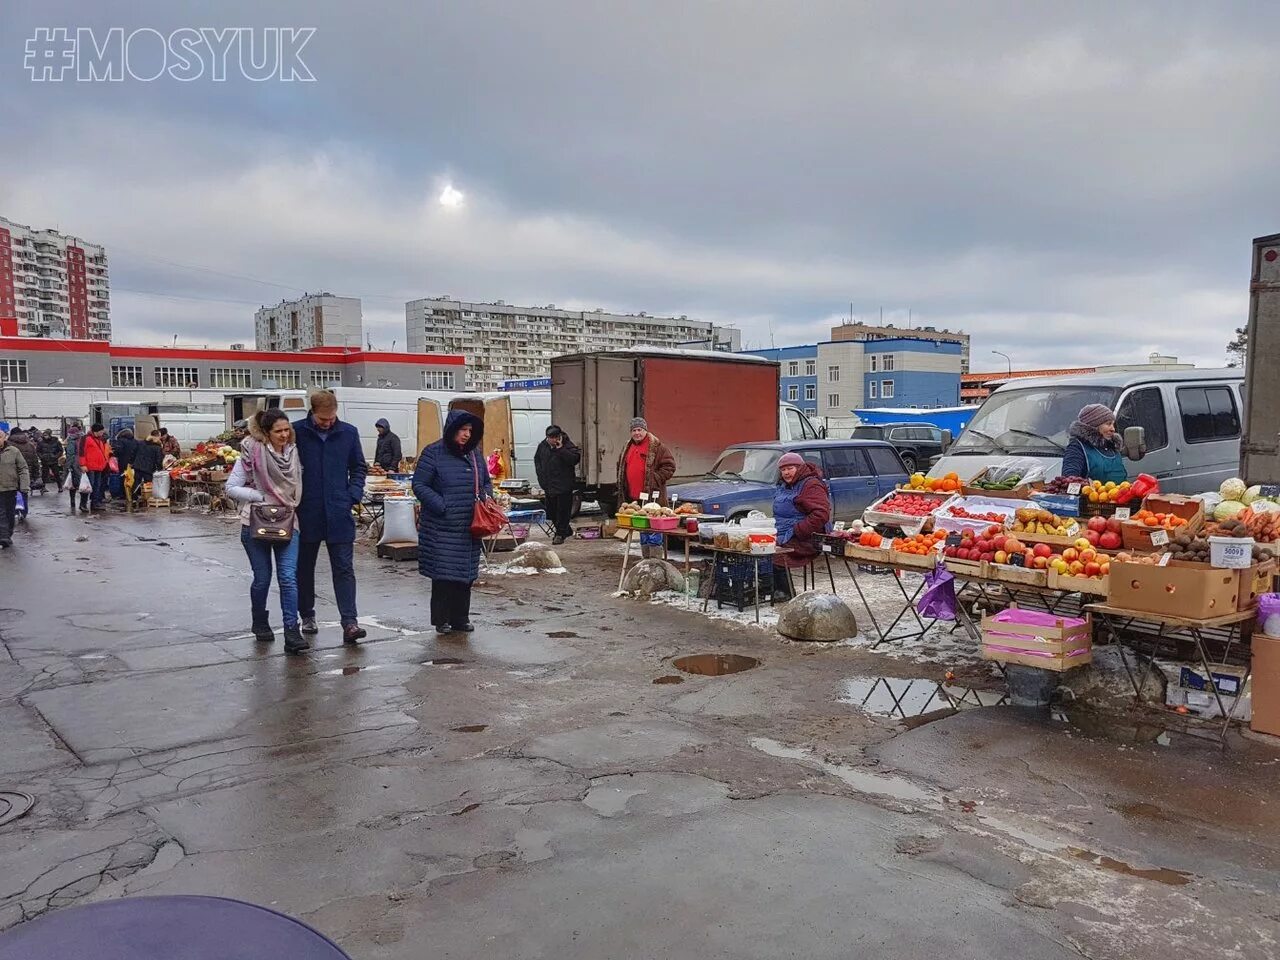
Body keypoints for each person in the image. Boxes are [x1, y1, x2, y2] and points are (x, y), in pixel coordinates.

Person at [226, 409, 307, 653]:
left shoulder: (293, 452)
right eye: (278, 431)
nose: (284, 435)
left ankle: (292, 631)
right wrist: (260, 496)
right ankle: (260, 621)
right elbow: (231, 487)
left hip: (288, 521)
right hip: (255, 523)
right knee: (262, 578)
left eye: (286, 429)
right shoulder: (252, 452)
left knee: (288, 578)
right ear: (266, 433)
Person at [293, 390, 368, 644]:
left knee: (344, 568)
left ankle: (350, 622)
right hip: (306, 511)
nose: (328, 423)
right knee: (304, 567)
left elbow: (358, 467)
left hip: (338, 511)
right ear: (311, 412)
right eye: (323, 419)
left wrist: (353, 494)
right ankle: (307, 614)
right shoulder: (296, 433)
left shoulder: (348, 432)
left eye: (332, 418)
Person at [413, 409, 490, 634]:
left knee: (465, 575)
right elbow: (420, 485)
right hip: (442, 526)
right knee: (444, 575)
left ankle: (460, 618)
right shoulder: (433, 452)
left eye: (469, 430)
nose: (466, 434)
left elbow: (486, 482)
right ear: (452, 429)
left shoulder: (475, 454)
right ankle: (441, 619)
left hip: (469, 525)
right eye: (462, 430)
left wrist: (485, 499)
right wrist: (442, 505)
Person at [771, 452, 833, 600]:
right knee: (759, 546)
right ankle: (771, 588)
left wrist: (797, 531)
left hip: (808, 538)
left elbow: (821, 515)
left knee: (772, 551)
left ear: (799, 468)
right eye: (783, 469)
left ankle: (785, 592)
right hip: (784, 533)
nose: (786, 472)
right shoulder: (785, 486)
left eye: (790, 468)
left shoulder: (811, 485)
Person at [615, 417, 677, 557]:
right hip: (635, 497)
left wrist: (655, 479)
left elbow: (670, 466)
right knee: (642, 527)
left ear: (645, 430)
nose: (637, 433)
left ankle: (655, 560)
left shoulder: (657, 446)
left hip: (652, 496)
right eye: (634, 430)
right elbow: (620, 466)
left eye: (640, 430)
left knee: (654, 528)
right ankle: (646, 558)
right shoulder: (627, 447)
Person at [534, 425, 580, 544]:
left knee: (563, 511)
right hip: (549, 485)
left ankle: (560, 534)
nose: (553, 440)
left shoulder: (567, 445)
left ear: (559, 437)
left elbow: (574, 459)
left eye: (555, 438)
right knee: (552, 511)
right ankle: (566, 530)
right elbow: (537, 460)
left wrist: (561, 449)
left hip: (564, 485)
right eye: (550, 438)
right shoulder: (542, 446)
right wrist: (541, 478)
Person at [1062, 403, 1128, 484]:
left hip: (1121, 495)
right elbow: (1069, 480)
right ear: (1094, 425)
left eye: (1113, 424)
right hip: (1092, 496)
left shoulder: (1112, 446)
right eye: (1108, 424)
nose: (1113, 429)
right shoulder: (1077, 447)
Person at [0, 428, 31, 548]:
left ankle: (7, 534)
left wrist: (24, 485)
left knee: (10, 513)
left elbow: (23, 468)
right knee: (1, 513)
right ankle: (3, 537)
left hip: (11, 488)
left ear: (4, 438)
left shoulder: (13, 451)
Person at [79, 424, 111, 510]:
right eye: (101, 431)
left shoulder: (100, 440)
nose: (103, 432)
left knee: (97, 486)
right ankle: (83, 504)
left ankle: (95, 503)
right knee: (88, 486)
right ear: (96, 431)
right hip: (89, 467)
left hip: (99, 467)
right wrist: (82, 464)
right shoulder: (85, 438)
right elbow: (81, 452)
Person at [131, 431, 166, 507]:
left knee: (136, 482)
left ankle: (133, 498)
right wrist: (160, 469)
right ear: (157, 437)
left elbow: (133, 453)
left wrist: (133, 463)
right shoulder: (157, 447)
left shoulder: (140, 443)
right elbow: (158, 460)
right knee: (148, 483)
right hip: (148, 468)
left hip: (138, 466)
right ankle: (147, 499)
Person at [64, 424, 87, 513]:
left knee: (72, 484)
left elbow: (70, 455)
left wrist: (68, 466)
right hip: (83, 463)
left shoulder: (71, 441)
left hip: (74, 464)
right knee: (84, 484)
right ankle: (83, 504)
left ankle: (73, 502)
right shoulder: (84, 438)